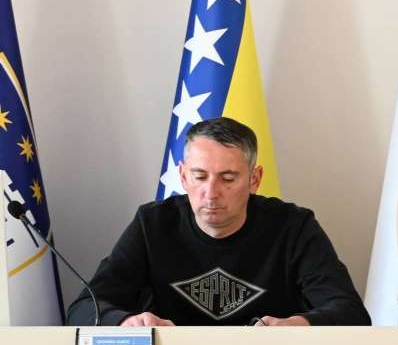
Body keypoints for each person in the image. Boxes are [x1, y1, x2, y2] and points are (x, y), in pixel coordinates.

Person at [66, 117, 370, 326]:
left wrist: (298, 324)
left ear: (254, 179)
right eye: (199, 177)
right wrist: (126, 322)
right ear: (183, 176)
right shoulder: (153, 225)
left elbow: (351, 313)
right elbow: (82, 310)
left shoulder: (293, 227)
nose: (211, 193)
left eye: (228, 178)